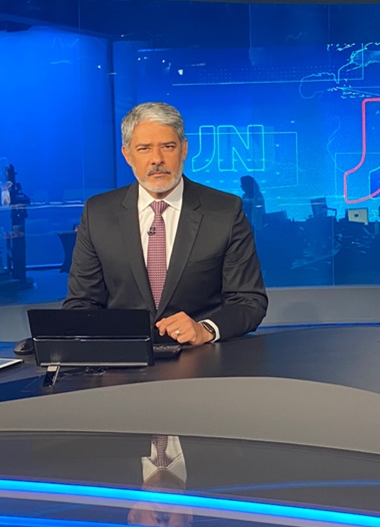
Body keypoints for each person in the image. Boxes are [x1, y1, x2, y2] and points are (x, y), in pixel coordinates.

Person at [64, 102, 268, 345]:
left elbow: (248, 301)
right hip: (122, 364)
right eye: (144, 149)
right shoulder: (97, 213)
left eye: (168, 147)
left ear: (184, 150)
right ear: (127, 155)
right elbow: (81, 302)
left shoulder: (224, 211)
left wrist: (205, 329)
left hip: (202, 364)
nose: (157, 160)